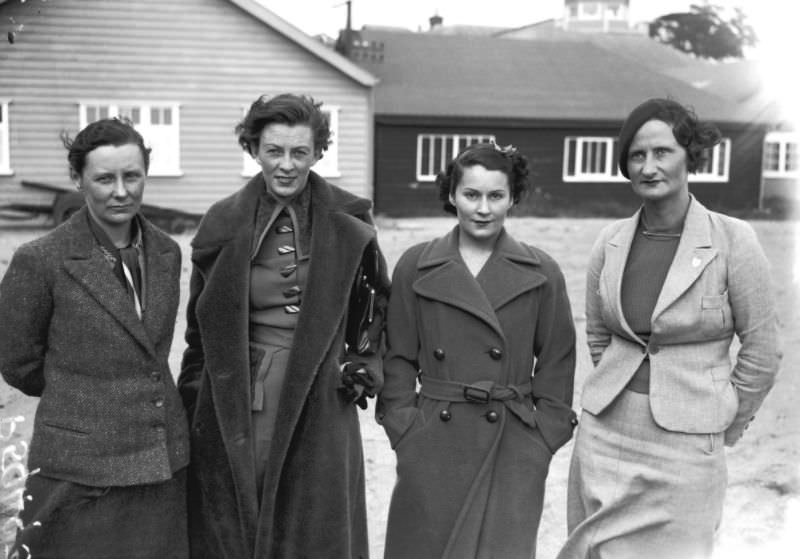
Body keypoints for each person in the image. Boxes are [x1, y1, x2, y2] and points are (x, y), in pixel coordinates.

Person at [559, 98, 782, 559]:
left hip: (689, 445)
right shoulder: (611, 241)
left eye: (662, 152)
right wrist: (626, 393)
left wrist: (719, 421)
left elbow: (762, 352)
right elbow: (599, 334)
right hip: (605, 435)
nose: (649, 166)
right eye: (637, 156)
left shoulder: (733, 240)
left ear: (689, 156)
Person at [178, 93, 389, 558]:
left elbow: (374, 309)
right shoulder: (223, 222)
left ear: (318, 153)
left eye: (300, 152)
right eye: (274, 151)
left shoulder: (349, 220)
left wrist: (359, 365)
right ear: (254, 150)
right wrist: (193, 400)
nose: (287, 165)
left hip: (320, 392)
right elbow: (199, 331)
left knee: (314, 525)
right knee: (237, 522)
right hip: (241, 396)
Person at [378, 142, 578, 558]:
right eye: (471, 195)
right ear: (452, 196)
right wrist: (404, 427)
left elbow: (557, 361)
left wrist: (544, 437)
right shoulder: (417, 265)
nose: (483, 208)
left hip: (512, 445)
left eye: (495, 196)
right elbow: (397, 356)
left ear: (513, 198)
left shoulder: (541, 272)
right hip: (433, 440)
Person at [0, 118, 189, 558]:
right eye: (105, 178)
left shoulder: (167, 251)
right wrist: (82, 393)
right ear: (78, 181)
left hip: (162, 461)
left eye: (132, 176)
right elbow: (15, 358)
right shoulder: (41, 260)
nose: (120, 191)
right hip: (78, 467)